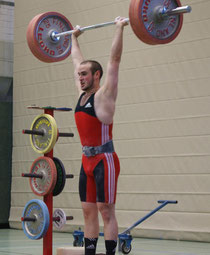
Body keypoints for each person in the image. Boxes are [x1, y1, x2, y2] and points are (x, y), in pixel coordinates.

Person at [71, 17, 128, 255]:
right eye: (79, 74)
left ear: (97, 75)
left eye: (85, 74)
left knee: (106, 209)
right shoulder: (82, 95)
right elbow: (76, 61)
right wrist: (73, 38)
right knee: (88, 211)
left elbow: (114, 60)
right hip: (86, 161)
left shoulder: (104, 96)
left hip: (105, 161)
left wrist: (119, 28)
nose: (80, 77)